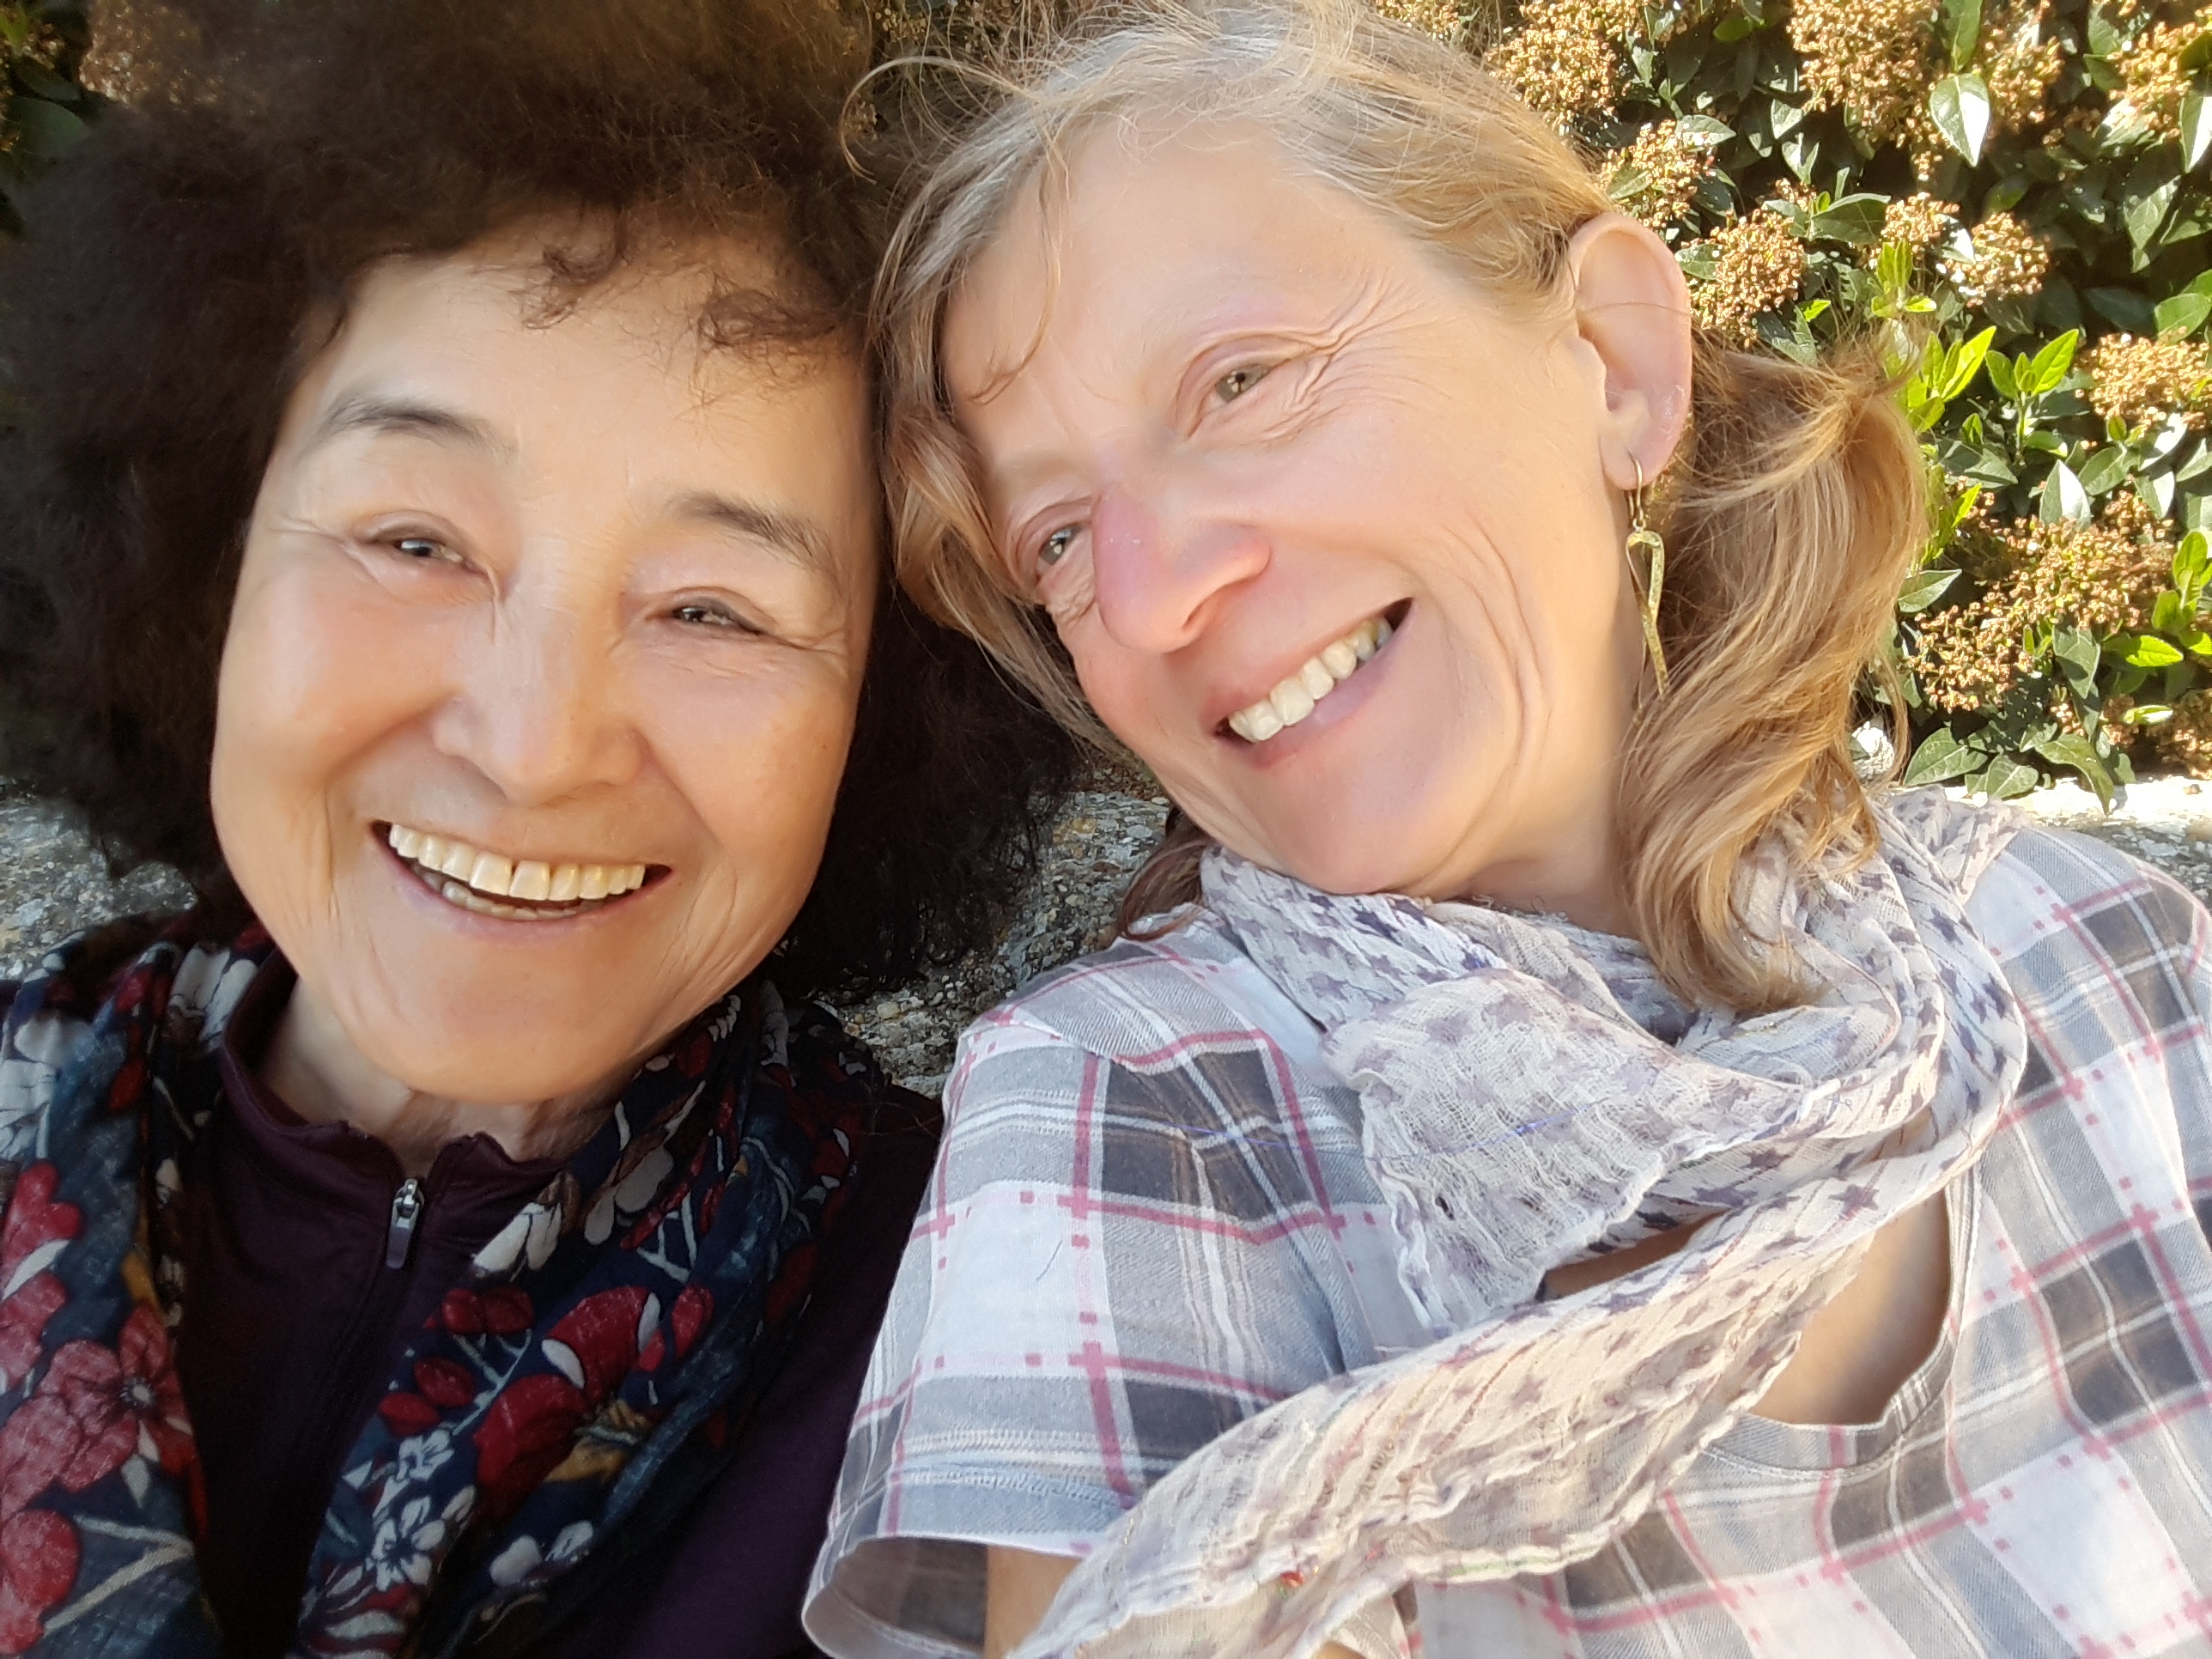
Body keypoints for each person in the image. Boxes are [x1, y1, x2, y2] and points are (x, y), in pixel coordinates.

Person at [803, 0, 2212, 1653]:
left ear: (1614, 360)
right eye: (1056, 540)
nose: (1155, 593)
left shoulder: (2101, 958)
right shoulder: (1143, 1114)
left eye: (1242, 381)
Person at [0, 2, 1073, 1654]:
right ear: (210, 565)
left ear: (883, 713)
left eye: (712, 608)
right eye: (415, 540)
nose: (534, 747)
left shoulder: (986, 1330)